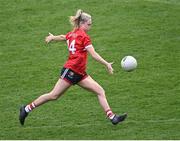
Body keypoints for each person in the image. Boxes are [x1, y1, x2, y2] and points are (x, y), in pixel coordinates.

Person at [19, 9, 127, 126]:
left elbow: (63, 36)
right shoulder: (84, 37)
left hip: (80, 73)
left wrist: (53, 37)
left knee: (100, 91)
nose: (90, 27)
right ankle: (26, 109)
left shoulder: (73, 33)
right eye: (89, 24)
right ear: (82, 23)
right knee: (54, 95)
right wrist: (106, 64)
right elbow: (94, 54)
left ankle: (112, 118)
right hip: (70, 71)